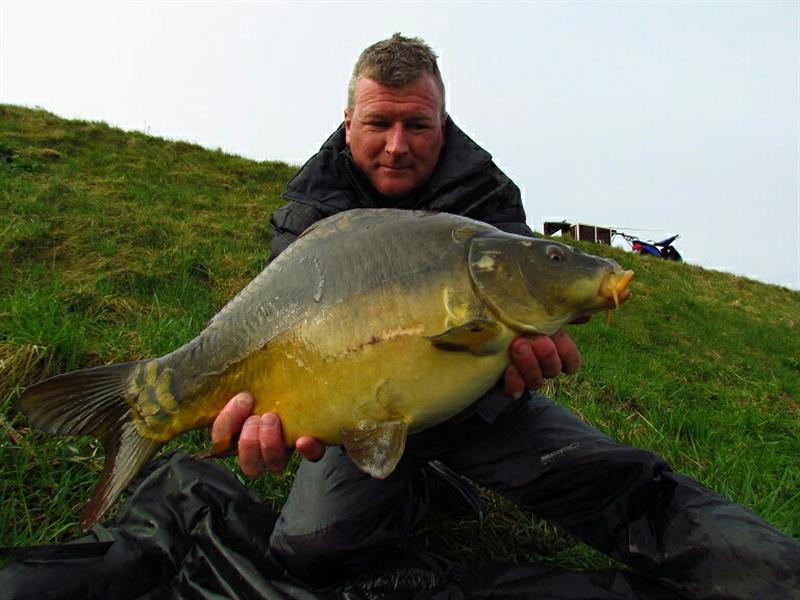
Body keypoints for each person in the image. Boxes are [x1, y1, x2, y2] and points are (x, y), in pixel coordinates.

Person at [211, 34, 800, 598]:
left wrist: (525, 349)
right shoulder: (309, 212)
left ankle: (778, 577)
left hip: (480, 403)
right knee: (311, 553)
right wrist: (271, 417)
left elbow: (528, 300)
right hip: (362, 415)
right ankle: (419, 490)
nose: (397, 144)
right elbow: (282, 342)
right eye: (378, 124)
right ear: (348, 124)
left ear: (442, 124)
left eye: (417, 125)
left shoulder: (483, 192)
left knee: (621, 486)